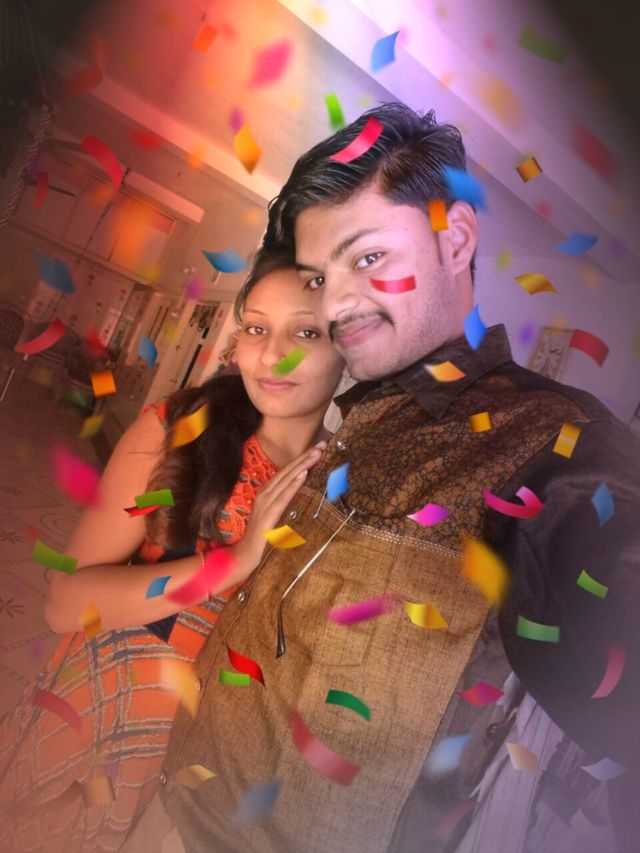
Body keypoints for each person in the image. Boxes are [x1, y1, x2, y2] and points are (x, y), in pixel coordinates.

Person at [159, 103, 640, 853]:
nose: (337, 302)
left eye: (367, 258)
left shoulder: (546, 444)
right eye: (320, 276)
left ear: (456, 239)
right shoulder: (358, 418)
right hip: (182, 803)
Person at [0, 253, 345, 852]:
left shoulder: (342, 487)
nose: (273, 354)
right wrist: (234, 562)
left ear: (349, 347)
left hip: (218, 779)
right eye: (257, 328)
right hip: (105, 727)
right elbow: (65, 603)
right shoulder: (180, 431)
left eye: (307, 332)